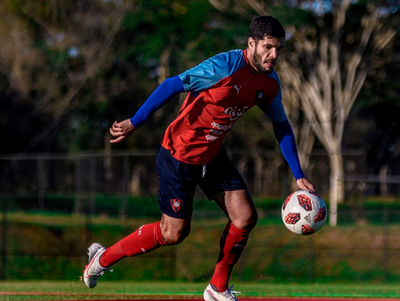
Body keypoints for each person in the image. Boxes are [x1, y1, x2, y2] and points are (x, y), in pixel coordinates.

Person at [83, 15, 317, 301]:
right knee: (173, 234)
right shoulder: (224, 66)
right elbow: (172, 84)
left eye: (279, 48)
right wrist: (135, 121)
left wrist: (298, 173)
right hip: (179, 154)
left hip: (213, 155)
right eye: (268, 47)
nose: (274, 54)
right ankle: (102, 259)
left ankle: (217, 288)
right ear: (251, 43)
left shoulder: (269, 83)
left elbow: (281, 125)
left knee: (244, 218)